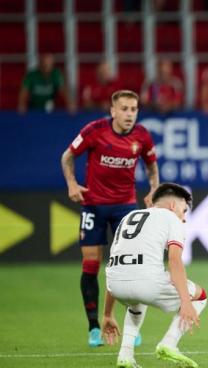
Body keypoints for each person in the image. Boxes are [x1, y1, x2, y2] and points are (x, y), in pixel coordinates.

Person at [60, 90, 160, 347]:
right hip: (93, 206)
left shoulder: (142, 136)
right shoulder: (95, 130)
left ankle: (129, 328)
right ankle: (95, 327)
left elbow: (151, 164)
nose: (129, 114)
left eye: (134, 109)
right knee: (91, 264)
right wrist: (72, 184)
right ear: (113, 110)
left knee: (129, 267)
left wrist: (153, 188)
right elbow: (68, 156)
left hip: (124, 208)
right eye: (124, 109)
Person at [101, 183, 208, 368]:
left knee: (136, 299)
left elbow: (116, 263)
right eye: (184, 211)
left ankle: (125, 354)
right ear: (173, 206)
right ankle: (169, 343)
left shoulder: (129, 217)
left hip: (115, 286)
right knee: (200, 296)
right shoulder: (171, 219)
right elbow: (174, 260)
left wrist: (107, 314)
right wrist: (185, 302)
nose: (184, 218)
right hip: (147, 284)